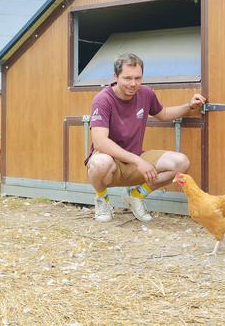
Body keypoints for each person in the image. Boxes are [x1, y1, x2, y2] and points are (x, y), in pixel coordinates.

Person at [86, 53, 206, 222]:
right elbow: (100, 142)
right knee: (99, 163)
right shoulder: (103, 100)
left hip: (136, 158)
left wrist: (189, 106)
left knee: (181, 162)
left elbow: (163, 114)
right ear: (115, 77)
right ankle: (102, 199)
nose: (133, 83)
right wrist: (138, 161)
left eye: (138, 78)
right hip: (111, 163)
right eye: (127, 78)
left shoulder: (146, 94)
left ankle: (135, 195)